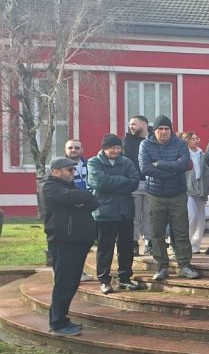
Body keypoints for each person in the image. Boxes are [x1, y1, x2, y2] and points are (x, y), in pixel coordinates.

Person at [42, 157, 99, 336]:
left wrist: (78, 200)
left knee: (72, 282)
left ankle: (63, 318)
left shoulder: (70, 188)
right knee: (64, 283)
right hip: (63, 242)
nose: (73, 173)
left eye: (73, 170)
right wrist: (79, 199)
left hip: (78, 242)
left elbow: (92, 201)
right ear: (56, 172)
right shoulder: (49, 187)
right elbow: (74, 198)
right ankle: (57, 324)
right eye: (69, 170)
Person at [140, 116, 199, 280]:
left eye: (166, 128)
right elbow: (145, 168)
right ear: (155, 130)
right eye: (160, 129)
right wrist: (172, 170)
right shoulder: (145, 144)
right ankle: (162, 266)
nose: (164, 132)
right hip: (155, 194)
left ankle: (185, 265)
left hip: (177, 193)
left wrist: (158, 164)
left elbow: (184, 165)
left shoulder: (180, 143)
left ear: (171, 130)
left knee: (181, 231)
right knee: (157, 232)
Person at [87, 134, 144, 294]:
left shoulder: (126, 162)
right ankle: (104, 280)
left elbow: (133, 181)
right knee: (105, 248)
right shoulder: (94, 162)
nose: (116, 150)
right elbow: (98, 182)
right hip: (104, 212)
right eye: (113, 147)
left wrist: (111, 182)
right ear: (105, 148)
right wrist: (121, 181)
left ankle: (125, 277)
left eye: (118, 147)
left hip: (125, 211)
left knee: (126, 246)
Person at [124, 115, 151, 255]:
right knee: (134, 216)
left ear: (144, 124)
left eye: (134, 124)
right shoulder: (127, 141)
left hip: (152, 183)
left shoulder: (154, 139)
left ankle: (149, 243)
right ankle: (134, 243)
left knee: (149, 215)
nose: (131, 126)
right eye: (130, 124)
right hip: (134, 183)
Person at [180, 132, 209, 254]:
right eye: (192, 139)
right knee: (191, 215)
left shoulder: (201, 153)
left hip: (201, 187)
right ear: (187, 141)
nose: (196, 140)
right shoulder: (184, 154)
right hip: (188, 188)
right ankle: (188, 241)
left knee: (200, 216)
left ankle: (196, 244)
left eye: (197, 138)